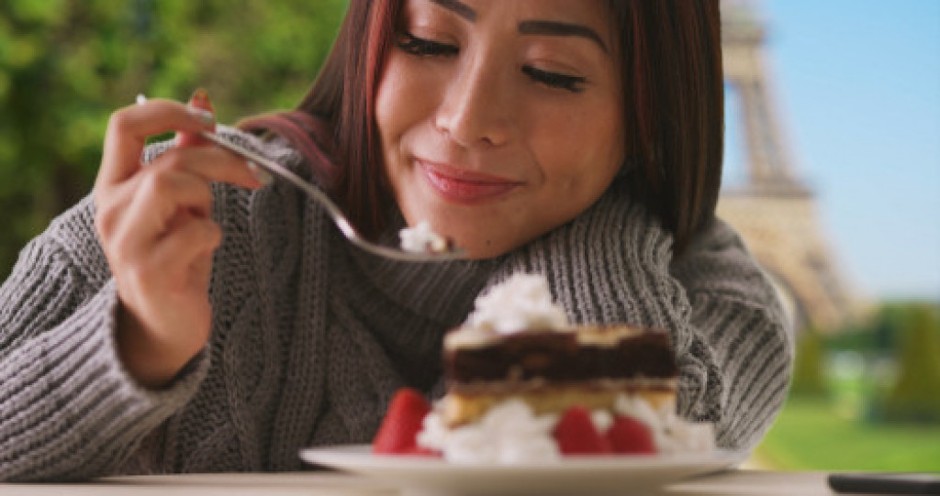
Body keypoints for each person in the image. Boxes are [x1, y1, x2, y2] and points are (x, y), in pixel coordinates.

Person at [0, 0, 792, 480]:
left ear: (652, 110)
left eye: (553, 72)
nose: (467, 118)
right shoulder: (194, 214)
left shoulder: (715, 301)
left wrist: (606, 222)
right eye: (429, 41)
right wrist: (136, 342)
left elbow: (635, 443)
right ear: (374, 40)